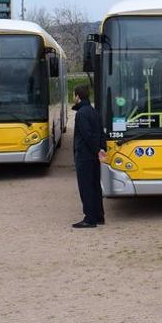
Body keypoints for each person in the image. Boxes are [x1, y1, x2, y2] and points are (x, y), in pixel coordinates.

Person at [71, 84, 105, 228]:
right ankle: (98, 216)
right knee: (95, 186)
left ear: (78, 96)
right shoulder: (93, 111)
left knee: (86, 187)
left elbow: (86, 135)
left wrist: (96, 149)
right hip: (93, 157)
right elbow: (101, 133)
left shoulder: (81, 113)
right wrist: (101, 149)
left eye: (74, 95)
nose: (73, 98)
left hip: (85, 156)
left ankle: (89, 218)